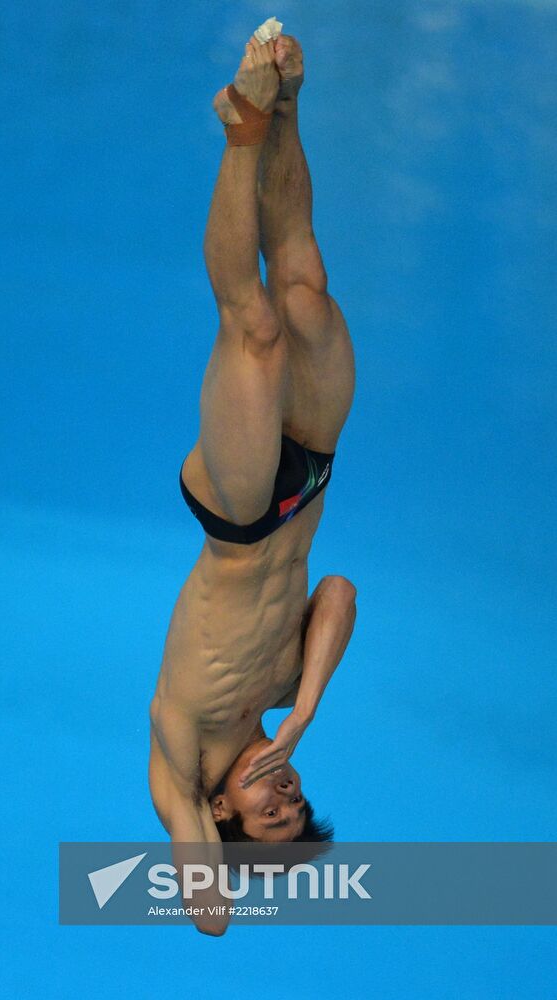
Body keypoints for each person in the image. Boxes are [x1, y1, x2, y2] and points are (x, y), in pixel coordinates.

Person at [149, 32, 356, 864]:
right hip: (304, 485)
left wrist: (214, 845)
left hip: (236, 516)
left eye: (271, 814)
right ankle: (286, 107)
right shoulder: (277, 690)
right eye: (297, 802)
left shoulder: (182, 762)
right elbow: (337, 592)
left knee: (256, 328)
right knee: (304, 288)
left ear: (223, 820)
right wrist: (302, 711)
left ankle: (240, 134)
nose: (284, 794)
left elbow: (210, 913)